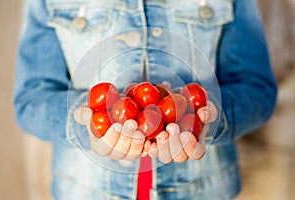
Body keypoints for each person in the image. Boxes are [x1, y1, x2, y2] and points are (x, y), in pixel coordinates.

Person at [14, 0, 277, 199]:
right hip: (84, 191)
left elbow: (258, 88)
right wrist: (85, 123)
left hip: (205, 190)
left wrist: (213, 118)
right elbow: (31, 96)